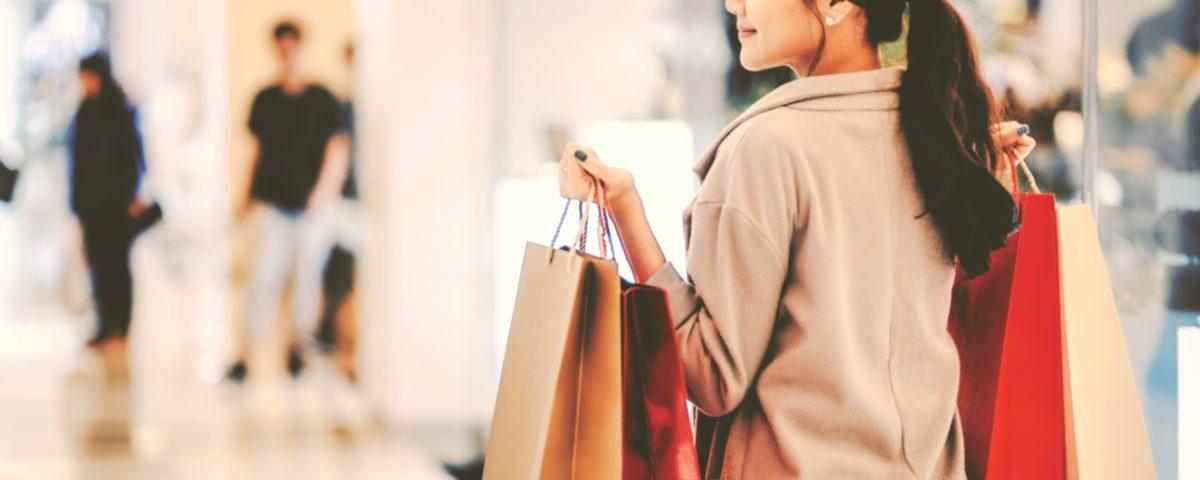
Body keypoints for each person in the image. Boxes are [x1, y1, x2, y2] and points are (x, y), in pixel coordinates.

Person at [559, 0, 1036, 477]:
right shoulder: (936, 135)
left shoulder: (767, 148)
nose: (733, 4)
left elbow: (710, 375)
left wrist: (624, 210)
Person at [228, 20, 349, 381]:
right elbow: (256, 152)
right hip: (272, 202)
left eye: (291, 45)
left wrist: (324, 192)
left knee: (306, 280)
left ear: (300, 47)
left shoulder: (322, 99)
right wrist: (243, 196)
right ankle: (245, 352)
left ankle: (297, 348)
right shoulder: (264, 99)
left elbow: (338, 148)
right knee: (263, 276)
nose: (287, 52)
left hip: (312, 207)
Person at [69, 52, 146, 350]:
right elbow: (77, 160)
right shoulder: (85, 111)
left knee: (117, 264)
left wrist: (131, 194)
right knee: (98, 264)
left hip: (115, 202)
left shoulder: (120, 111)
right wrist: (75, 202)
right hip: (90, 203)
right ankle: (104, 323)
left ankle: (121, 324)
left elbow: (133, 156)